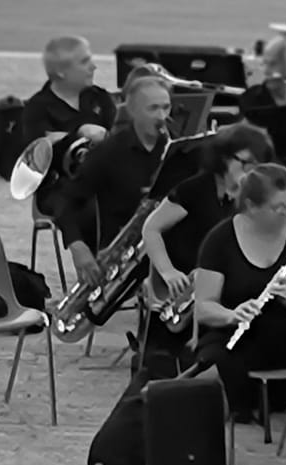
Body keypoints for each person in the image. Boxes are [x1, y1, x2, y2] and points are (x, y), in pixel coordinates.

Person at [192, 163, 286, 425]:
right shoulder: (220, 240)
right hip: (238, 338)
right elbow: (204, 307)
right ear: (252, 207)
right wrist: (232, 314)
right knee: (216, 360)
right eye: (279, 207)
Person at [139, 124, 274, 364]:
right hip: (183, 291)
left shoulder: (252, 198)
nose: (252, 172)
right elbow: (151, 229)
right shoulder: (195, 189)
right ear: (224, 159)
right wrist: (168, 272)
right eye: (246, 163)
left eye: (258, 166)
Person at [60, 69, 173, 287]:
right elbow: (67, 201)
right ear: (133, 110)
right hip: (126, 257)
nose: (162, 117)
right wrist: (77, 247)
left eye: (166, 108)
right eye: (153, 108)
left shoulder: (176, 150)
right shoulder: (108, 153)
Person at [20, 34, 114, 216]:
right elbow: (39, 157)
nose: (93, 67)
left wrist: (63, 137)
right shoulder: (37, 108)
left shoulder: (100, 98)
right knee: (92, 208)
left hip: (103, 182)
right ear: (62, 72)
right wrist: (80, 133)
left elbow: (120, 137)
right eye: (84, 62)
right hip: (57, 189)